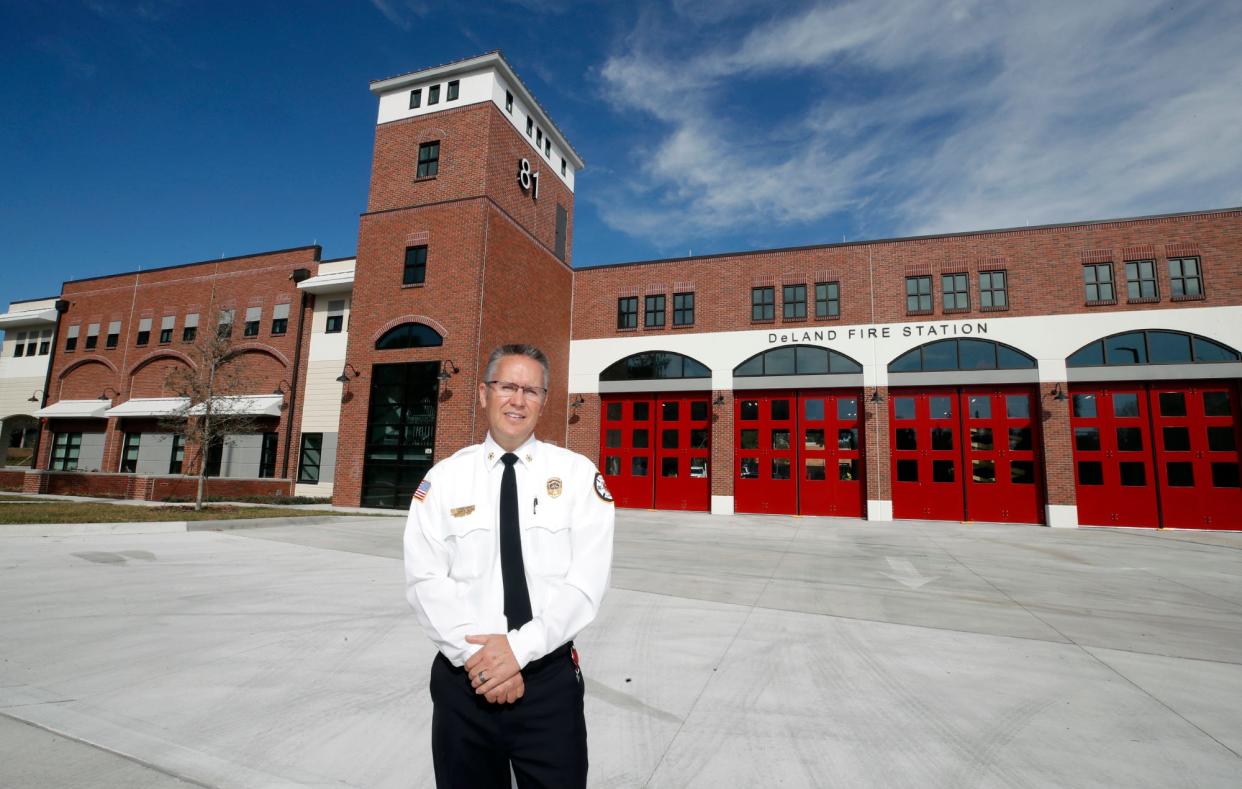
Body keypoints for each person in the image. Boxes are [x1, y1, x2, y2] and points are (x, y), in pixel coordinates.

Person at [403, 343, 615, 789]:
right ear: (483, 394)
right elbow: (425, 579)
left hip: (547, 685)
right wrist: (480, 663)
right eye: (507, 387)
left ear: (544, 400)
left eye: (531, 391)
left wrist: (518, 652)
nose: (518, 400)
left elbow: (585, 585)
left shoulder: (577, 475)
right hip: (465, 684)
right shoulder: (443, 480)